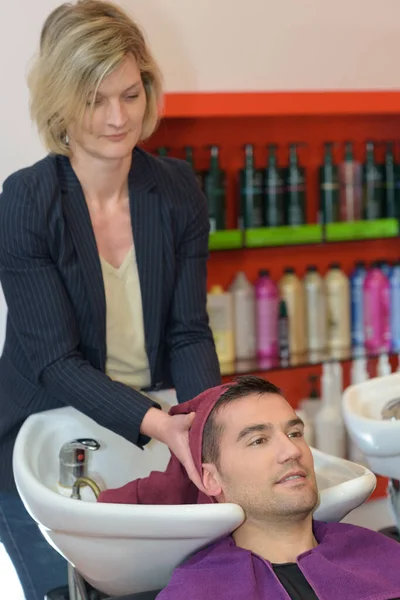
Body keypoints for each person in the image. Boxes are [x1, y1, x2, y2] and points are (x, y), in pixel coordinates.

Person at [0, 1, 221, 598]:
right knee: (62, 591)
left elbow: (187, 331)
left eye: (129, 93)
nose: (118, 118)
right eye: (95, 100)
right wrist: (162, 425)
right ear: (60, 105)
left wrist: (204, 421)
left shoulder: (175, 190)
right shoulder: (25, 201)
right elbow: (56, 362)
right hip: (41, 429)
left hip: (151, 418)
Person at [100, 376, 400, 600]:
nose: (291, 451)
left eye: (295, 433)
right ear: (211, 479)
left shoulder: (382, 555)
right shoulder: (196, 592)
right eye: (258, 440)